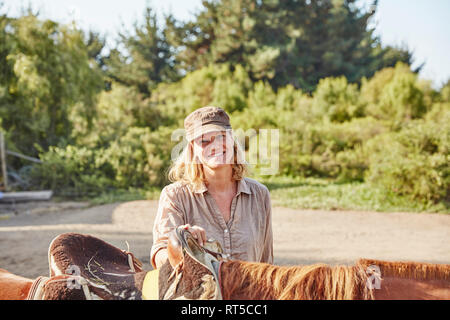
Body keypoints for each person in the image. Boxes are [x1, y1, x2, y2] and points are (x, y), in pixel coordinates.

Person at [150, 106, 273, 269]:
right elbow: (160, 257)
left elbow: (267, 263)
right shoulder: (175, 196)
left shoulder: (259, 194)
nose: (214, 146)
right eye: (204, 141)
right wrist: (180, 240)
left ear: (232, 141)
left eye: (221, 137)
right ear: (193, 149)